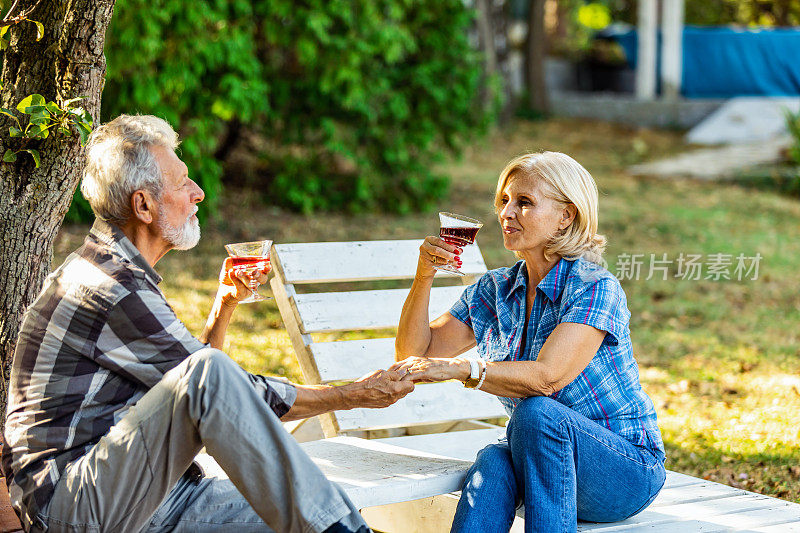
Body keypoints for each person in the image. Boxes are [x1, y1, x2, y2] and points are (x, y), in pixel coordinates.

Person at [2, 114, 415, 533]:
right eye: (182, 182)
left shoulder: (120, 271)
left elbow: (199, 398)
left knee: (322, 506)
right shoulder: (109, 286)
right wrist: (352, 395)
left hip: (146, 493)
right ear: (143, 205)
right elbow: (211, 381)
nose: (198, 192)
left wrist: (224, 305)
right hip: (74, 505)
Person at [392, 152, 666, 532]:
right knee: (493, 459)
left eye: (524, 202)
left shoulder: (594, 287)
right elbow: (413, 355)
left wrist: (463, 369)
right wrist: (424, 276)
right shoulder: (495, 290)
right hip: (541, 459)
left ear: (566, 216)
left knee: (537, 413)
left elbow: (546, 379)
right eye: (504, 201)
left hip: (624, 469)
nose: (507, 212)